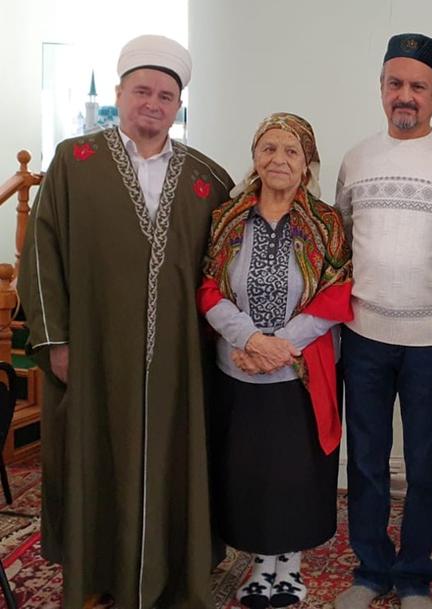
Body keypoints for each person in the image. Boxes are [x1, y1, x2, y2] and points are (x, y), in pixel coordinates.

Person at [17, 35, 233, 609]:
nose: (153, 104)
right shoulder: (73, 162)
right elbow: (40, 256)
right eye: (142, 91)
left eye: (166, 95)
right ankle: (97, 573)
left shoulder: (208, 180)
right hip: (94, 352)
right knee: (96, 459)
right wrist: (56, 341)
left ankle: (173, 575)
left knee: (172, 461)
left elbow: (226, 270)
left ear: (178, 105)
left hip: (179, 363)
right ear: (119, 94)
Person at [334, 33, 432, 609]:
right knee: (366, 462)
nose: (405, 95)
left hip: (431, 343)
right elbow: (343, 241)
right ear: (380, 87)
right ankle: (370, 569)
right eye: (395, 83)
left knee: (424, 466)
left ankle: (415, 574)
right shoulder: (356, 159)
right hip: (364, 337)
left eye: (418, 86)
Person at [197, 112, 353, 609]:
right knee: (248, 469)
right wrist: (248, 338)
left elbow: (338, 290)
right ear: (255, 157)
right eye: (269, 148)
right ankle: (260, 564)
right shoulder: (227, 217)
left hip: (300, 369)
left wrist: (282, 344)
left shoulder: (325, 221)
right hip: (238, 366)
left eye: (291, 151)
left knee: (293, 471)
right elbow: (207, 285)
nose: (279, 159)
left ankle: (289, 566)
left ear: (308, 163)